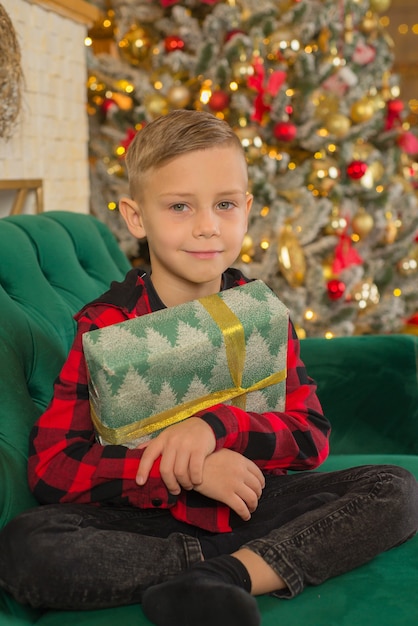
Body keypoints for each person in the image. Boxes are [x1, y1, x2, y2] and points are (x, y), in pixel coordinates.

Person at [0, 110, 417, 626]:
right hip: (145, 521)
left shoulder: (260, 312)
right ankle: (223, 569)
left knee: (393, 490)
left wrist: (217, 428)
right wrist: (189, 472)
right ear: (136, 217)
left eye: (224, 204)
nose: (206, 226)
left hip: (255, 503)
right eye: (179, 206)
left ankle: (228, 577)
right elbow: (53, 467)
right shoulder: (106, 324)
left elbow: (310, 437)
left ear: (245, 208)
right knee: (26, 547)